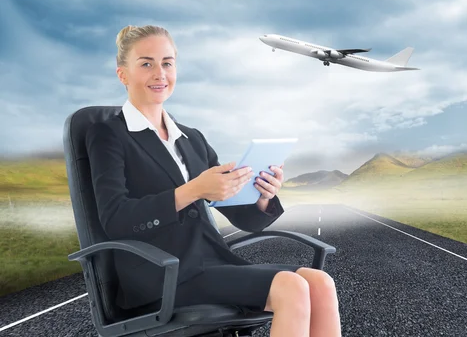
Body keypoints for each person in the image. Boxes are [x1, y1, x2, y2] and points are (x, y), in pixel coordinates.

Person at [85, 25, 341, 336]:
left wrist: (261, 195)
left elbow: (240, 214)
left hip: (210, 263)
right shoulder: (108, 134)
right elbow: (115, 219)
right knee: (291, 288)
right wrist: (193, 190)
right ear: (123, 75)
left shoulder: (191, 139)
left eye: (167, 63)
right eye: (146, 63)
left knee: (320, 283)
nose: (159, 73)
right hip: (161, 275)